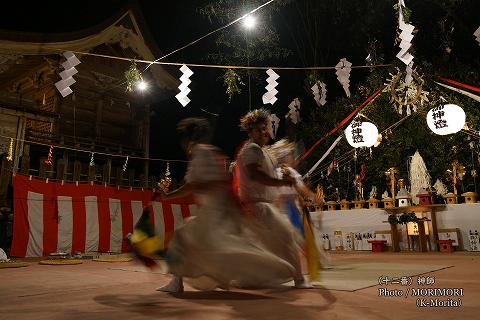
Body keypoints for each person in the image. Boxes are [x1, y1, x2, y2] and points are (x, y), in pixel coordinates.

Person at [156, 118, 295, 293]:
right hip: (222, 209)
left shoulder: (200, 153)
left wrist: (168, 196)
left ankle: (177, 283)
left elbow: (195, 185)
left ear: (188, 139)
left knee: (184, 239)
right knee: (219, 248)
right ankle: (218, 280)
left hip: (212, 211)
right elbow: (223, 181)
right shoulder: (213, 152)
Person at [235, 109, 313, 289]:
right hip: (258, 207)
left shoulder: (260, 150)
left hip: (261, 207)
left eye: (266, 128)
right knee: (286, 238)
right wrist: (282, 183)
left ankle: (260, 279)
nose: (264, 132)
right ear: (251, 132)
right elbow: (256, 176)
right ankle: (298, 279)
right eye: (259, 129)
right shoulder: (252, 149)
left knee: (267, 245)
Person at [268, 139, 331, 271]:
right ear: (285, 157)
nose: (294, 158)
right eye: (291, 155)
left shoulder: (276, 172)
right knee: (299, 237)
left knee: (289, 239)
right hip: (288, 210)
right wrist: (314, 197)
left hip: (282, 209)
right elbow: (300, 189)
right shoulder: (288, 171)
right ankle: (310, 262)